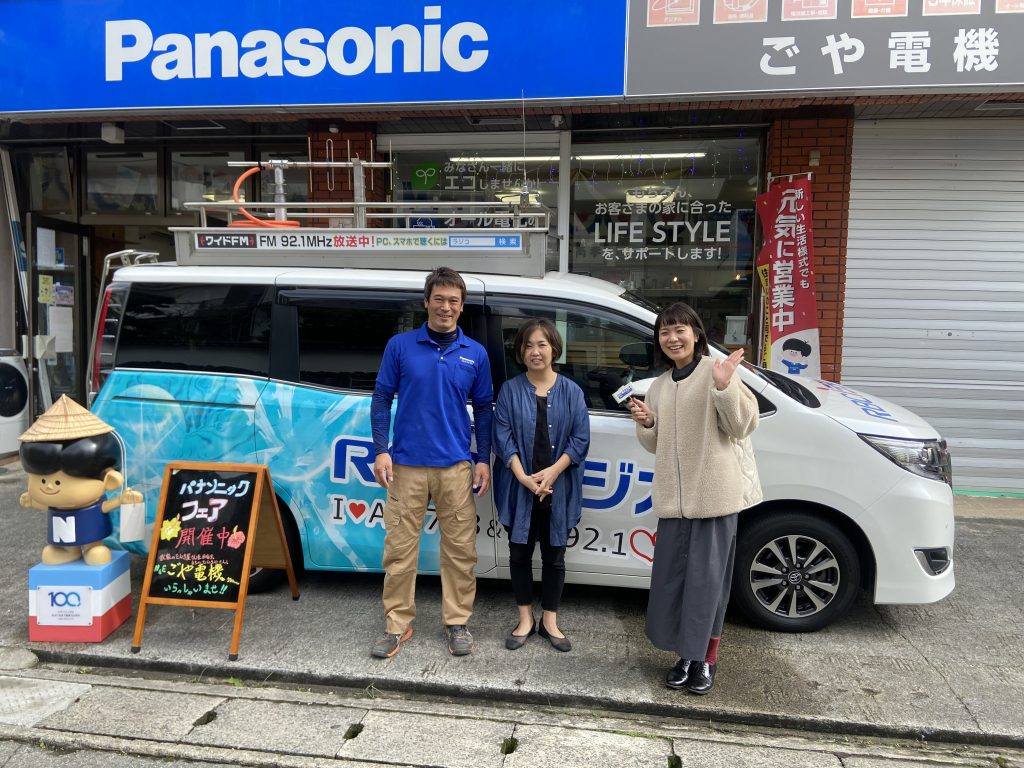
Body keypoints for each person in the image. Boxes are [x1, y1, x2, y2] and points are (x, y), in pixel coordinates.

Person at [627, 302, 760, 695]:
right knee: (675, 585)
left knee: (709, 587)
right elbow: (656, 444)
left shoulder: (716, 371)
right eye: (665, 332)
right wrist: (648, 423)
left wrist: (723, 387)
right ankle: (684, 655)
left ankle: (706, 660)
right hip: (674, 503)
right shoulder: (659, 386)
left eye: (679, 330)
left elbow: (742, 425)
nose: (672, 338)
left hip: (713, 500)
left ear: (696, 334)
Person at [370, 267, 493, 659]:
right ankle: (397, 624)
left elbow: (484, 409)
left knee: (460, 551)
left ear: (462, 306)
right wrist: (381, 449)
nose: (446, 307)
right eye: (438, 299)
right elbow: (381, 398)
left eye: (453, 300)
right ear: (426, 302)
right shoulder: (400, 346)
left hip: (455, 466)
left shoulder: (475, 353)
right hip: (406, 465)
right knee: (399, 549)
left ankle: (457, 622)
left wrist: (483, 458)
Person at [492, 319, 590, 652]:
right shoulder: (509, 390)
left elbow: (580, 440)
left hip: (558, 488)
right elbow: (502, 438)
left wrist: (553, 472)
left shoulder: (572, 392)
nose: (535, 351)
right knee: (518, 554)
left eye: (542, 344)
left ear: (554, 349)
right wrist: (523, 477)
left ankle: (550, 620)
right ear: (520, 352)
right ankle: (525, 619)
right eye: (529, 345)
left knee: (555, 556)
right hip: (519, 487)